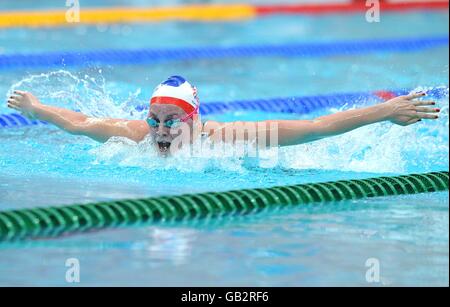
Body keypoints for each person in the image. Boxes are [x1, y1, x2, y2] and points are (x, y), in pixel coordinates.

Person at [6, 75, 440, 157]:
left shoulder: (228, 139)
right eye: (154, 119)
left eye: (170, 121)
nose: (159, 131)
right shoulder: (136, 136)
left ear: (194, 120)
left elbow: (315, 127)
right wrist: (35, 108)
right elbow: (80, 122)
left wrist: (385, 110)